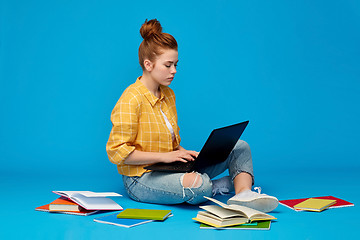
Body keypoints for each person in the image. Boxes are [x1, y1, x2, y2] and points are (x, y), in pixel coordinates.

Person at [106, 19, 278, 212]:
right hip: (140, 178)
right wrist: (168, 157)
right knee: (199, 185)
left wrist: (182, 152)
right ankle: (217, 185)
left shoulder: (168, 95)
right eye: (168, 65)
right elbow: (117, 152)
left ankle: (243, 194)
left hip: (170, 168)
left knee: (239, 146)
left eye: (176, 65)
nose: (174, 71)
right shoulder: (131, 99)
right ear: (148, 65)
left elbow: (169, 142)